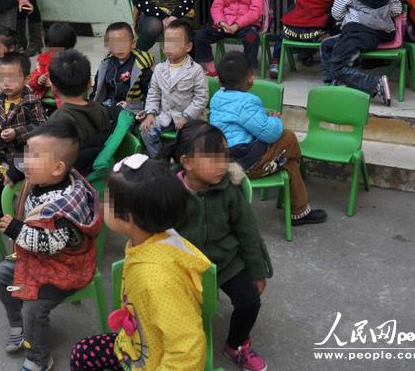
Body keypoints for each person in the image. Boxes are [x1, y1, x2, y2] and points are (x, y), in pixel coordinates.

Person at [69, 154, 210, 371]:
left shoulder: (157, 281)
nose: (102, 205)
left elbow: (187, 349)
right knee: (82, 353)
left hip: (152, 363)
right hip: (136, 342)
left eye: (107, 201)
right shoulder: (155, 238)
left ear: (128, 218)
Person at [0, 123, 102, 371]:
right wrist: (13, 172)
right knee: (2, 275)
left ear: (57, 168)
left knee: (33, 309)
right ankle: (18, 326)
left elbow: (50, 244)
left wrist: (16, 229)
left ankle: (39, 358)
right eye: (26, 153)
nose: (25, 162)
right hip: (42, 261)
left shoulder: (61, 209)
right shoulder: (46, 179)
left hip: (65, 270)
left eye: (33, 156)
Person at [172, 121, 273, 371]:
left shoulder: (229, 188)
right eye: (213, 158)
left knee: (249, 301)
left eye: (224, 155)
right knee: (176, 310)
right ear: (187, 162)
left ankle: (236, 345)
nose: (222, 164)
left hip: (226, 261)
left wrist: (257, 271)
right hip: (184, 267)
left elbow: (248, 231)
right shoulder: (169, 192)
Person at [211, 51, 327, 227]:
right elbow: (270, 133)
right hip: (246, 164)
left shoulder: (217, 98)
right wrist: (275, 120)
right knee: (288, 137)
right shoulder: (247, 101)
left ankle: (300, 208)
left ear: (219, 80)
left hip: (224, 160)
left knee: (288, 162)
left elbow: (245, 124)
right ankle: (299, 209)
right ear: (250, 78)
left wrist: (265, 120)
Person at [320, 0, 402, 104]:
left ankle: (374, 84)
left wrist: (348, 19)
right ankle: (333, 84)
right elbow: (397, 10)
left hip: (356, 34)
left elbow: (336, 13)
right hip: (380, 35)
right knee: (327, 46)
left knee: (336, 66)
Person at [0, 52, 47, 214]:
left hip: (22, 155)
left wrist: (17, 132)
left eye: (13, 79)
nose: (6, 83)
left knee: (0, 180)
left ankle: (6, 210)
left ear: (26, 79)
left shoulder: (31, 102)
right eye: (3, 78)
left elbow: (41, 126)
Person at [140, 20, 208, 158]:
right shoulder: (159, 69)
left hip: (189, 118)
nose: (169, 47)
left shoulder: (195, 70)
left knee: (188, 141)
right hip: (165, 116)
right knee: (146, 131)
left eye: (175, 43)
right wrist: (150, 113)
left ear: (188, 47)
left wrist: (186, 116)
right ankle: (160, 160)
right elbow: (154, 92)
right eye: (167, 42)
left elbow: (201, 98)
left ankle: (181, 161)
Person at [268, 0, 343, 78]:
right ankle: (334, 67)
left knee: (281, 35)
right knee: (336, 21)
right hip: (316, 34)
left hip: (290, 32)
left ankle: (275, 64)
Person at [46, 49, 111, 175]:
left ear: (53, 88)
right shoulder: (101, 109)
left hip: (71, 175)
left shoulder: (57, 119)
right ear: (90, 83)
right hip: (95, 171)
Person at [90, 21, 155, 120]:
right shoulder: (106, 64)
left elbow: (150, 91)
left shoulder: (140, 66)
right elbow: (97, 87)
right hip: (109, 104)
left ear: (132, 43)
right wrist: (92, 104)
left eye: (123, 42)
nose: (119, 47)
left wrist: (145, 110)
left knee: (123, 121)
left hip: (133, 107)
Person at [28, 22, 77, 101]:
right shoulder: (43, 60)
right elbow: (32, 79)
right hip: (41, 101)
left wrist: (55, 84)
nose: (54, 53)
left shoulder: (74, 63)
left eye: (58, 51)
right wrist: (38, 79)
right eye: (51, 49)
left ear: (69, 48)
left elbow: (77, 85)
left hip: (64, 103)